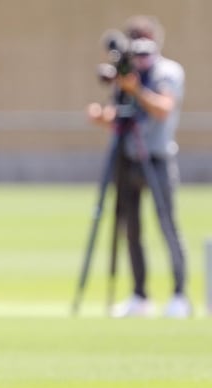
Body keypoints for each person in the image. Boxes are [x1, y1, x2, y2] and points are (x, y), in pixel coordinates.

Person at [86, 15, 190, 318]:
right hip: (128, 157)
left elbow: (162, 109)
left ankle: (179, 296)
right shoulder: (128, 72)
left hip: (157, 158)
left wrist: (135, 90)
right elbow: (123, 118)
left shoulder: (166, 72)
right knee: (131, 229)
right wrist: (103, 115)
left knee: (167, 226)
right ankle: (139, 295)